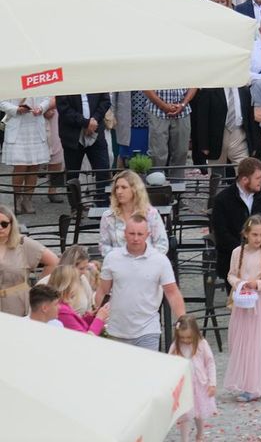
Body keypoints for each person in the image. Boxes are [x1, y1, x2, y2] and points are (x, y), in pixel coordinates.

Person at [94, 214, 186, 350]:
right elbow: (103, 290)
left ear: (147, 235)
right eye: (132, 233)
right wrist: (98, 320)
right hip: (116, 330)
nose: (136, 238)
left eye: (140, 234)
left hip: (148, 330)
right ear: (124, 234)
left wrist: (183, 320)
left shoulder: (160, 261)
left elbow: (172, 292)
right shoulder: (112, 258)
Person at [224, 215, 261, 402]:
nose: (258, 239)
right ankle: (245, 381)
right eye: (254, 234)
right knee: (241, 340)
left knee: (257, 342)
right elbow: (231, 275)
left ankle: (255, 386)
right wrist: (240, 283)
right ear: (246, 234)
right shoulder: (237, 253)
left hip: (260, 302)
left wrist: (257, 284)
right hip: (242, 302)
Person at [210, 158, 261, 285]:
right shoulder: (223, 200)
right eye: (258, 178)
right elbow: (221, 233)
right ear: (244, 180)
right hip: (233, 263)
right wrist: (244, 252)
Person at [0, 205, 58, 316]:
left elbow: (53, 261)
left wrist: (39, 288)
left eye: (4, 224)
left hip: (16, 303)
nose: (0, 227)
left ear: (11, 225)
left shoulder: (22, 244)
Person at [99, 169, 169, 258]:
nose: (119, 191)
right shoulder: (108, 216)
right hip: (118, 265)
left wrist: (148, 260)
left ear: (135, 189)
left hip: (146, 264)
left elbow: (162, 245)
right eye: (117, 187)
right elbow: (104, 246)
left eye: (124, 187)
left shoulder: (151, 214)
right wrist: (119, 258)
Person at [1, 96, 52, 215]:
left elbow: (47, 98)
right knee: (20, 166)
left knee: (34, 166)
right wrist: (16, 109)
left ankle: (27, 199)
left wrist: (41, 108)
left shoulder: (38, 79)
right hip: (17, 125)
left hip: (35, 124)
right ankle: (17, 198)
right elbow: (2, 102)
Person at [170, 315, 217, 442]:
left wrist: (212, 383)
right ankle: (184, 439)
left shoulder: (202, 344)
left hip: (199, 385)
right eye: (182, 337)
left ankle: (200, 434)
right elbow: (169, 363)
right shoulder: (175, 346)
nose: (185, 340)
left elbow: (210, 363)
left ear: (196, 333)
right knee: (185, 414)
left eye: (189, 337)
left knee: (199, 412)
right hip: (183, 386)